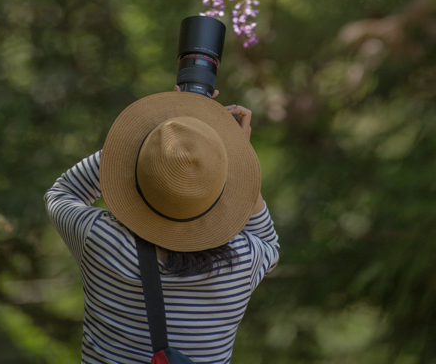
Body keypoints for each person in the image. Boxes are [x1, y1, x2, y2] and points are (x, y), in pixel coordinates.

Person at [45, 88, 279, 364]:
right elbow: (269, 243)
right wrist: (235, 153)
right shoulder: (244, 262)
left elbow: (62, 193)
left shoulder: (99, 238)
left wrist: (150, 137)